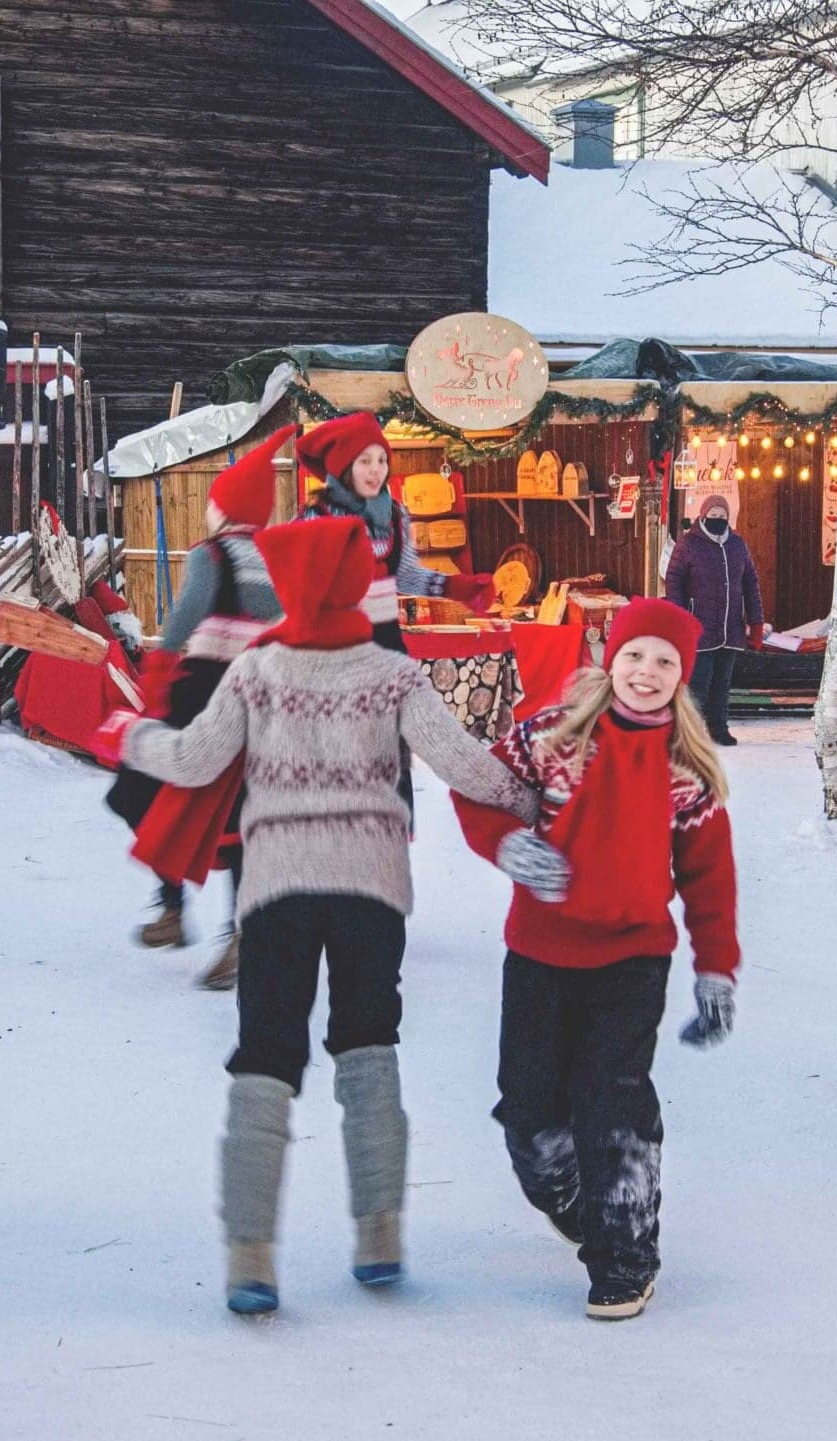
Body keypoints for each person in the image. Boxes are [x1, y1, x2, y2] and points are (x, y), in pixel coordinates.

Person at [93, 516, 539, 1315]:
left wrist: (133, 737)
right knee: (369, 1047)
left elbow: (195, 759)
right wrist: (528, 796)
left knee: (264, 1057)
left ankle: (250, 1255)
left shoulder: (258, 669)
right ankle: (379, 1235)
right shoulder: (391, 673)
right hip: (371, 889)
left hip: (277, 889)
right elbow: (463, 763)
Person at [452, 598, 741, 1322]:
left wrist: (716, 967)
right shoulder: (551, 734)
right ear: (611, 656)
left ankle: (624, 1259)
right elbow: (478, 791)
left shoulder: (687, 771)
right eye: (636, 655)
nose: (647, 671)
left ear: (682, 676)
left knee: (612, 1106)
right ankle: (582, 1204)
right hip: (540, 951)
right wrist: (508, 843)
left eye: (665, 662)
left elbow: (710, 879)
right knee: (528, 1108)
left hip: (632, 959)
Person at [104, 426, 291, 989]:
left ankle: (171, 907)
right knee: (237, 819)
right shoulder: (275, 557)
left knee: (144, 790)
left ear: (223, 508)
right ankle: (237, 935)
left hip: (203, 695)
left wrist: (160, 667)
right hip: (260, 699)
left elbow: (184, 617)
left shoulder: (212, 556)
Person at [296, 411, 495, 652]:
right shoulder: (316, 518)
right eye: (365, 461)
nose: (376, 470)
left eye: (382, 460)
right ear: (343, 467)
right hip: (332, 649)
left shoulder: (394, 515)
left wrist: (460, 587)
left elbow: (406, 575)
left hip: (385, 646)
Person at [664, 493, 764, 746]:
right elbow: (674, 583)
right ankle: (690, 734)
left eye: (722, 516)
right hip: (699, 627)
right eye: (713, 515)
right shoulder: (688, 545)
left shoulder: (737, 545)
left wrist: (756, 622)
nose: (718, 519)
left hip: (730, 628)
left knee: (722, 684)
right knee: (697, 684)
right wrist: (679, 619)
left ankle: (718, 728)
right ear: (703, 515)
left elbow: (751, 584)